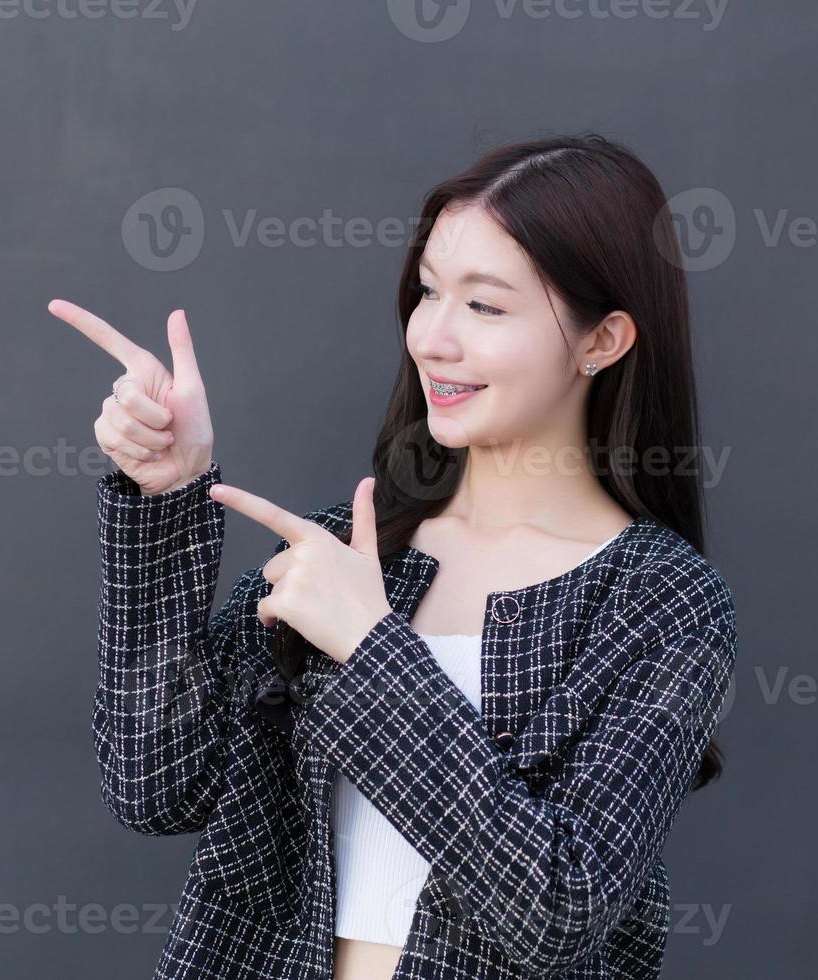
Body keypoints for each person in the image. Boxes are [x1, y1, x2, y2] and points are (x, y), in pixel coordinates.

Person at [50, 132, 737, 980]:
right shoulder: (351, 545)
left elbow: (557, 908)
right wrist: (167, 498)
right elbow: (158, 786)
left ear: (604, 341)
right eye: (427, 292)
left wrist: (373, 651)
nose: (433, 338)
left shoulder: (663, 600)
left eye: (485, 306)